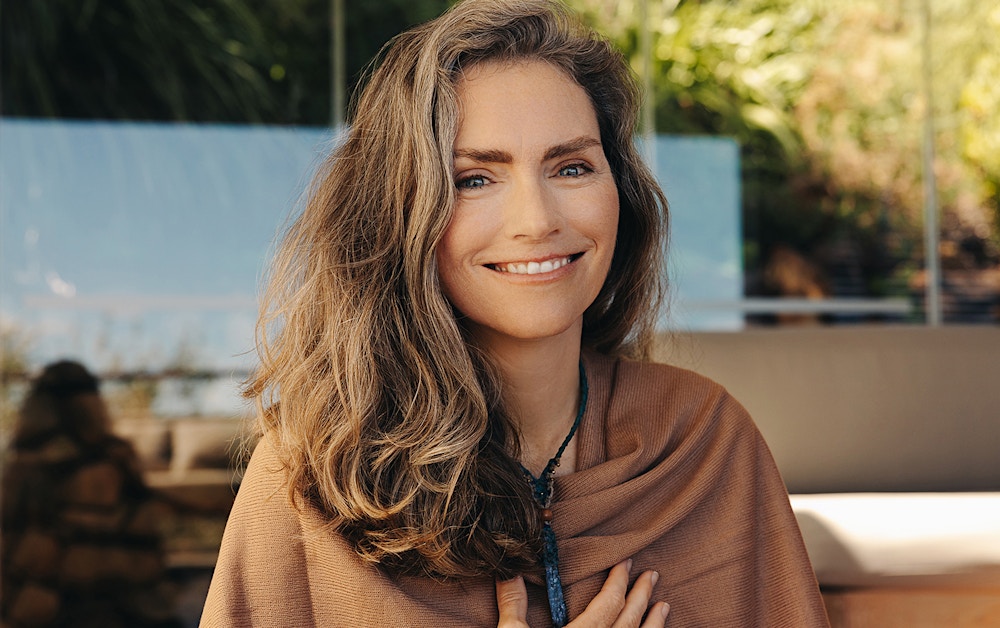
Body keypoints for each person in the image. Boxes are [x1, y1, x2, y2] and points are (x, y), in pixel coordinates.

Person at [201, 0, 829, 626]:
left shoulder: (703, 441)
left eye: (573, 167)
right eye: (475, 179)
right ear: (399, 213)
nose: (538, 220)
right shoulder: (306, 473)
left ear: (622, 193)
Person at [1, 360, 181, 628]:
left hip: (57, 611)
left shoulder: (31, 467)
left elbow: (23, 560)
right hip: (137, 609)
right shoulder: (120, 457)